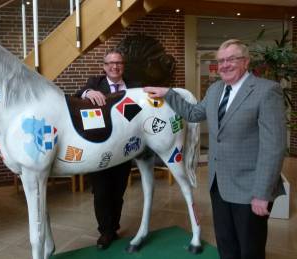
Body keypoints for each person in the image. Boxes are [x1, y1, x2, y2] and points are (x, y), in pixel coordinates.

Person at [144, 39, 286, 259]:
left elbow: (274, 147)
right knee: (226, 244)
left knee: (250, 249)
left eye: (231, 59)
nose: (224, 65)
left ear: (246, 62)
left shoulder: (267, 91)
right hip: (219, 184)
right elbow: (192, 113)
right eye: (220, 60)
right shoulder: (215, 89)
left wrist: (262, 193)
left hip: (250, 189)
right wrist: (168, 93)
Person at [75, 48, 140, 249]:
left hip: (123, 150)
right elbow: (79, 94)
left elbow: (138, 114)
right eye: (110, 63)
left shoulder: (133, 85)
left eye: (118, 62)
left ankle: (114, 226)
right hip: (100, 151)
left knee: (118, 192)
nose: (115, 66)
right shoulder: (95, 83)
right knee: (101, 193)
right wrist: (89, 92)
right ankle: (105, 231)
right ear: (104, 67)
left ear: (123, 66)